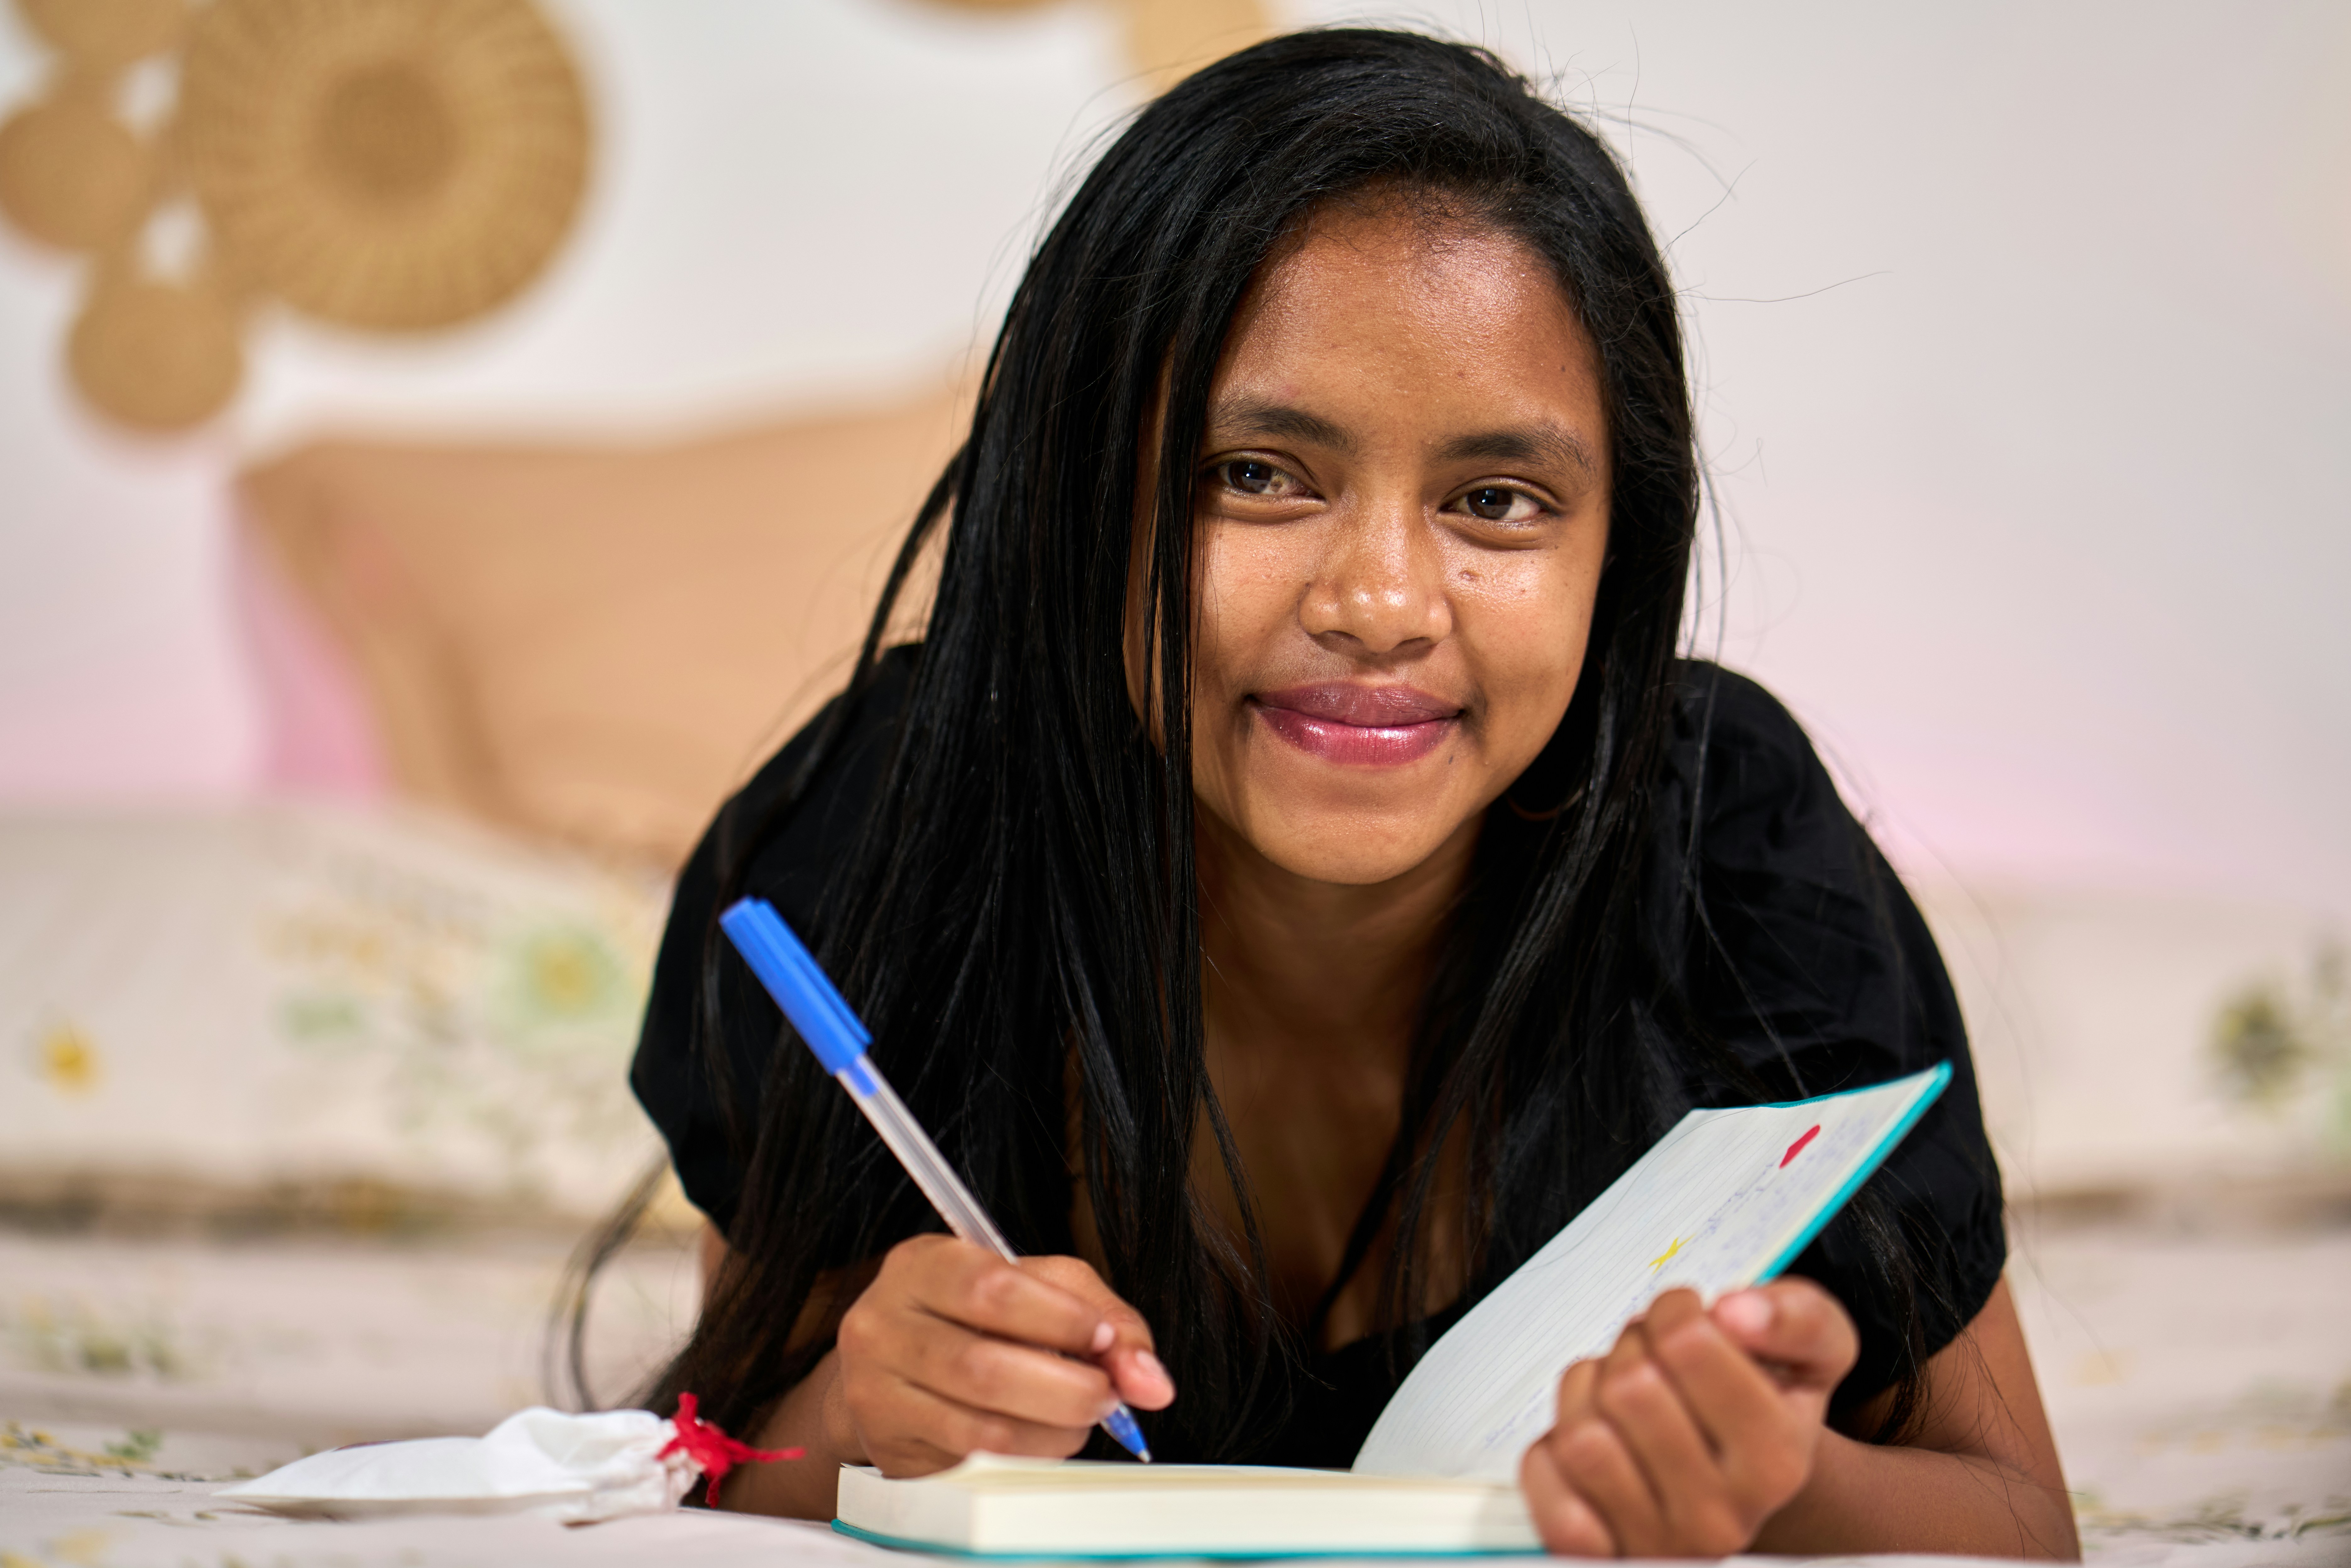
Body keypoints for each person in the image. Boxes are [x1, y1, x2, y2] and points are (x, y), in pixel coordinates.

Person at [629, 28, 2076, 1557]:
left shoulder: (1735, 860)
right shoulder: (877, 838)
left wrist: (1778, 1484)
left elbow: (2014, 1522)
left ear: (1614, 556)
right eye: (1256, 472)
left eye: (1495, 503)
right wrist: (858, 1415)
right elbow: (718, 1467)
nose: (1381, 601)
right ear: (1073, 495)